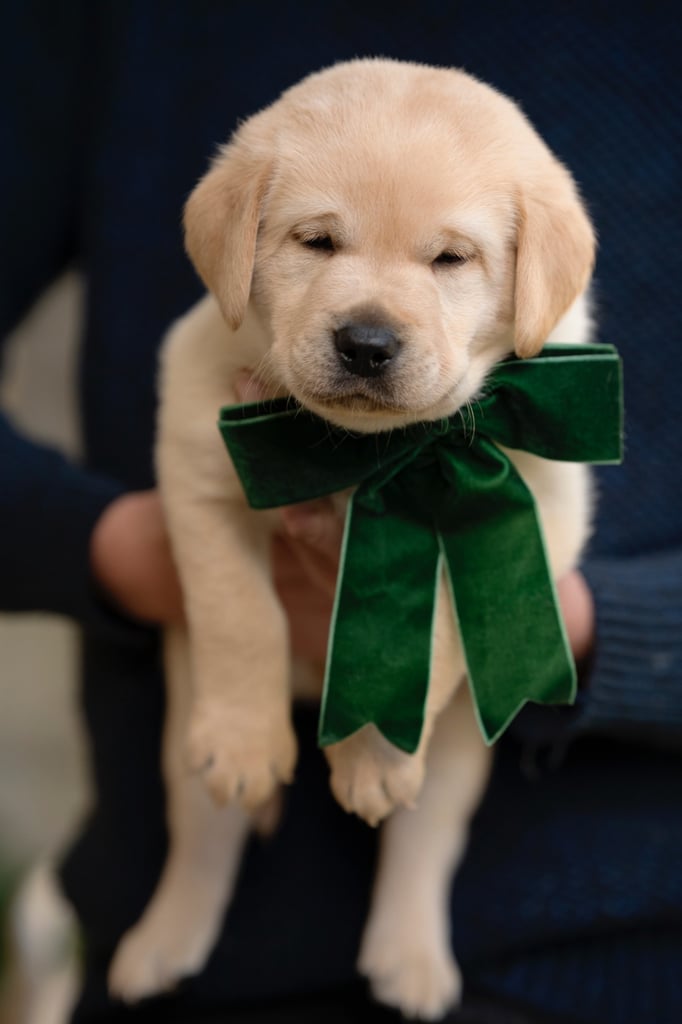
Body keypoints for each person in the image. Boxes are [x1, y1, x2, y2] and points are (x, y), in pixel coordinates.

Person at [1, 3, 680, 1022]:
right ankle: (191, 895)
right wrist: (124, 558)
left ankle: (409, 914)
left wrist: (421, 661)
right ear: (236, 239)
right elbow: (199, 499)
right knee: (211, 714)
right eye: (316, 240)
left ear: (533, 278)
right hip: (208, 980)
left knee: (442, 756)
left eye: (450, 260)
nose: (370, 320)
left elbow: (544, 521)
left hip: (610, 957)